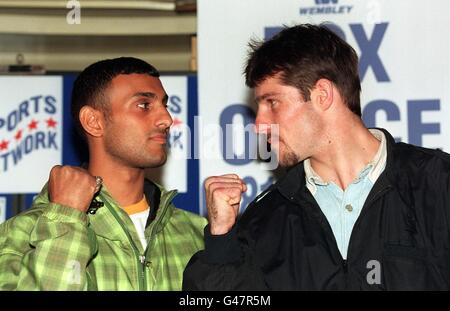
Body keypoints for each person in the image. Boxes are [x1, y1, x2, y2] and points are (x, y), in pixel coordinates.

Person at [183, 24, 450, 290]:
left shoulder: (437, 185)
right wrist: (220, 243)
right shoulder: (265, 220)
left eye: (272, 102)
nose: (260, 124)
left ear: (322, 95)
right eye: (259, 107)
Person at [0, 57, 207, 290]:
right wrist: (64, 221)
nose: (166, 119)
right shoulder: (22, 233)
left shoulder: (196, 231)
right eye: (144, 105)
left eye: (165, 105)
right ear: (93, 121)